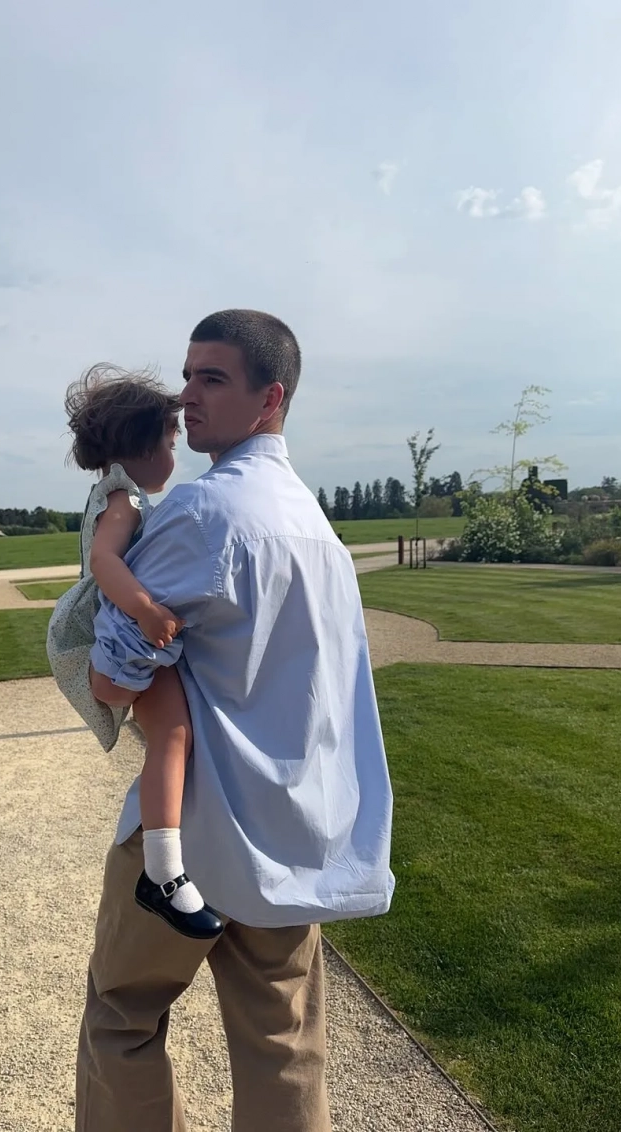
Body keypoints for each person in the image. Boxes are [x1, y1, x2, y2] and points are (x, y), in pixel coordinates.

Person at [77, 310, 394, 1132]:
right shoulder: (318, 529)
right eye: (188, 376)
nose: (188, 396)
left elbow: (111, 676)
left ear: (270, 398)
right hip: (292, 829)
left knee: (123, 1016)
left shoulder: (201, 511)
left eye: (212, 378)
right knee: (283, 1043)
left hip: (196, 826)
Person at [46, 365, 222, 939]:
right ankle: (164, 874)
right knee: (172, 738)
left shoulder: (119, 492)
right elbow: (104, 561)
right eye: (171, 442)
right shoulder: (123, 497)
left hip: (120, 638)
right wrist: (145, 608)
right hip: (120, 639)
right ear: (144, 444)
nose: (175, 454)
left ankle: (164, 868)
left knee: (172, 737)